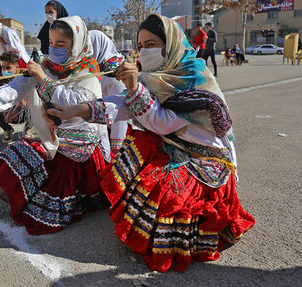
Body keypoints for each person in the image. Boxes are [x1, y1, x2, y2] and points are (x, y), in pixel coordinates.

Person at [45, 14, 255, 273]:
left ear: (169, 46)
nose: (144, 51)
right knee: (136, 150)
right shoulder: (156, 76)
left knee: (166, 195)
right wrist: (78, 110)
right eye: (141, 45)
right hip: (178, 148)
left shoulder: (193, 77)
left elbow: (162, 122)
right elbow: (123, 104)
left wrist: (134, 88)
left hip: (206, 161)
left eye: (151, 44)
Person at [0, 16, 111, 235]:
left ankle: (84, 196)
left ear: (76, 44)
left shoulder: (89, 72)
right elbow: (14, 89)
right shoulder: (45, 66)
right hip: (51, 131)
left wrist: (44, 81)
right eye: (51, 42)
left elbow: (75, 105)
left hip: (80, 136)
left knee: (57, 181)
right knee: (18, 152)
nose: (54, 48)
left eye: (61, 44)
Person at [89, 29, 128, 154]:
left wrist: (116, 146)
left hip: (116, 135)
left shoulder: (116, 73)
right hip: (103, 126)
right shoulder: (97, 68)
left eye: (90, 47)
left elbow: (120, 113)